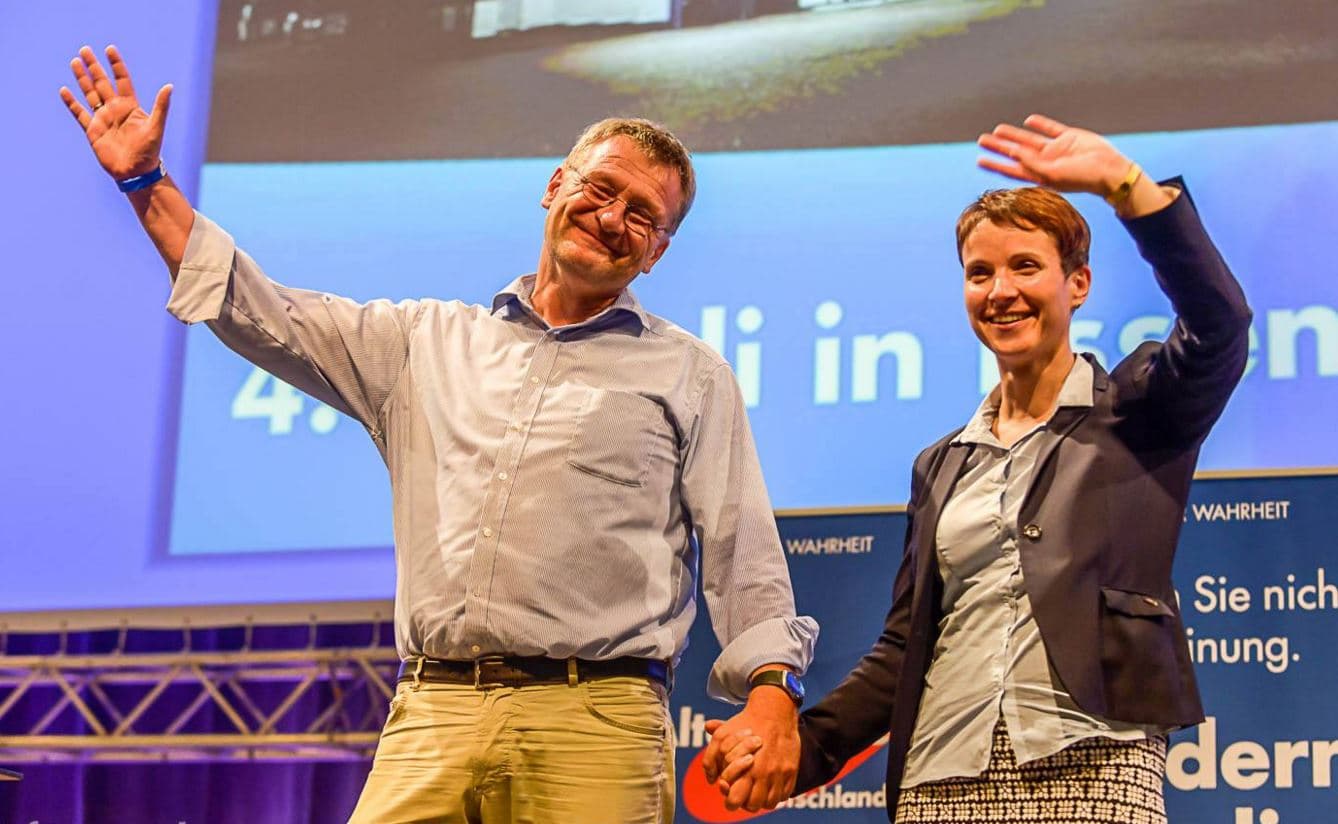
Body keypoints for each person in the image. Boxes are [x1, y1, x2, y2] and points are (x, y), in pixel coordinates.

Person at [60, 45, 818, 824]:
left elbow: (741, 553)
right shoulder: (422, 343)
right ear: (556, 185)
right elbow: (263, 313)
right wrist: (146, 185)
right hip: (432, 713)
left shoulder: (690, 374)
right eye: (600, 188)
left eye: (643, 217)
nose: (613, 218)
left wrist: (772, 694)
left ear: (657, 251)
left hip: (596, 722)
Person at [703, 114, 1251, 822]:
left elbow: (1221, 324)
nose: (1000, 291)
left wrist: (1127, 187)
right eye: (979, 273)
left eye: (1026, 266)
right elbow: (906, 648)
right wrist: (797, 750)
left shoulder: (1140, 411)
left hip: (1091, 762)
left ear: (1077, 283)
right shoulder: (942, 463)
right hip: (941, 776)